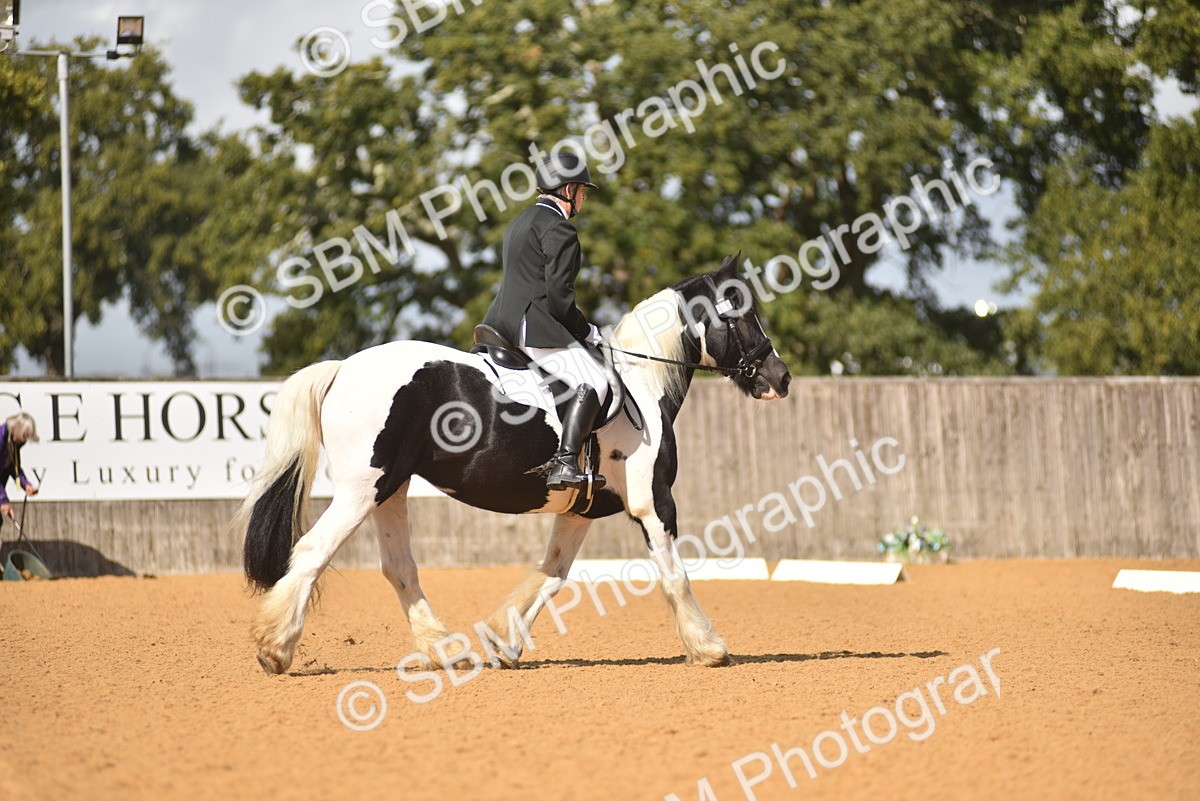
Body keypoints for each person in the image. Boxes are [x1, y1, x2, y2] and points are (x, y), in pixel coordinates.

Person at [482, 152, 610, 492]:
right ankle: (566, 462)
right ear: (568, 190)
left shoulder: (519, 221)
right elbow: (559, 300)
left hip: (498, 323)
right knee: (594, 381)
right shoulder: (560, 229)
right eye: (583, 190)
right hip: (531, 326)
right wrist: (588, 332)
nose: (584, 196)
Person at [1, 412, 39, 525]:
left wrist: (25, 484)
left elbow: (13, 466)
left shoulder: (13, 443)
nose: (25, 441)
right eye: (25, 436)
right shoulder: (1, 439)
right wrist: (2, 499)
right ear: (17, 430)